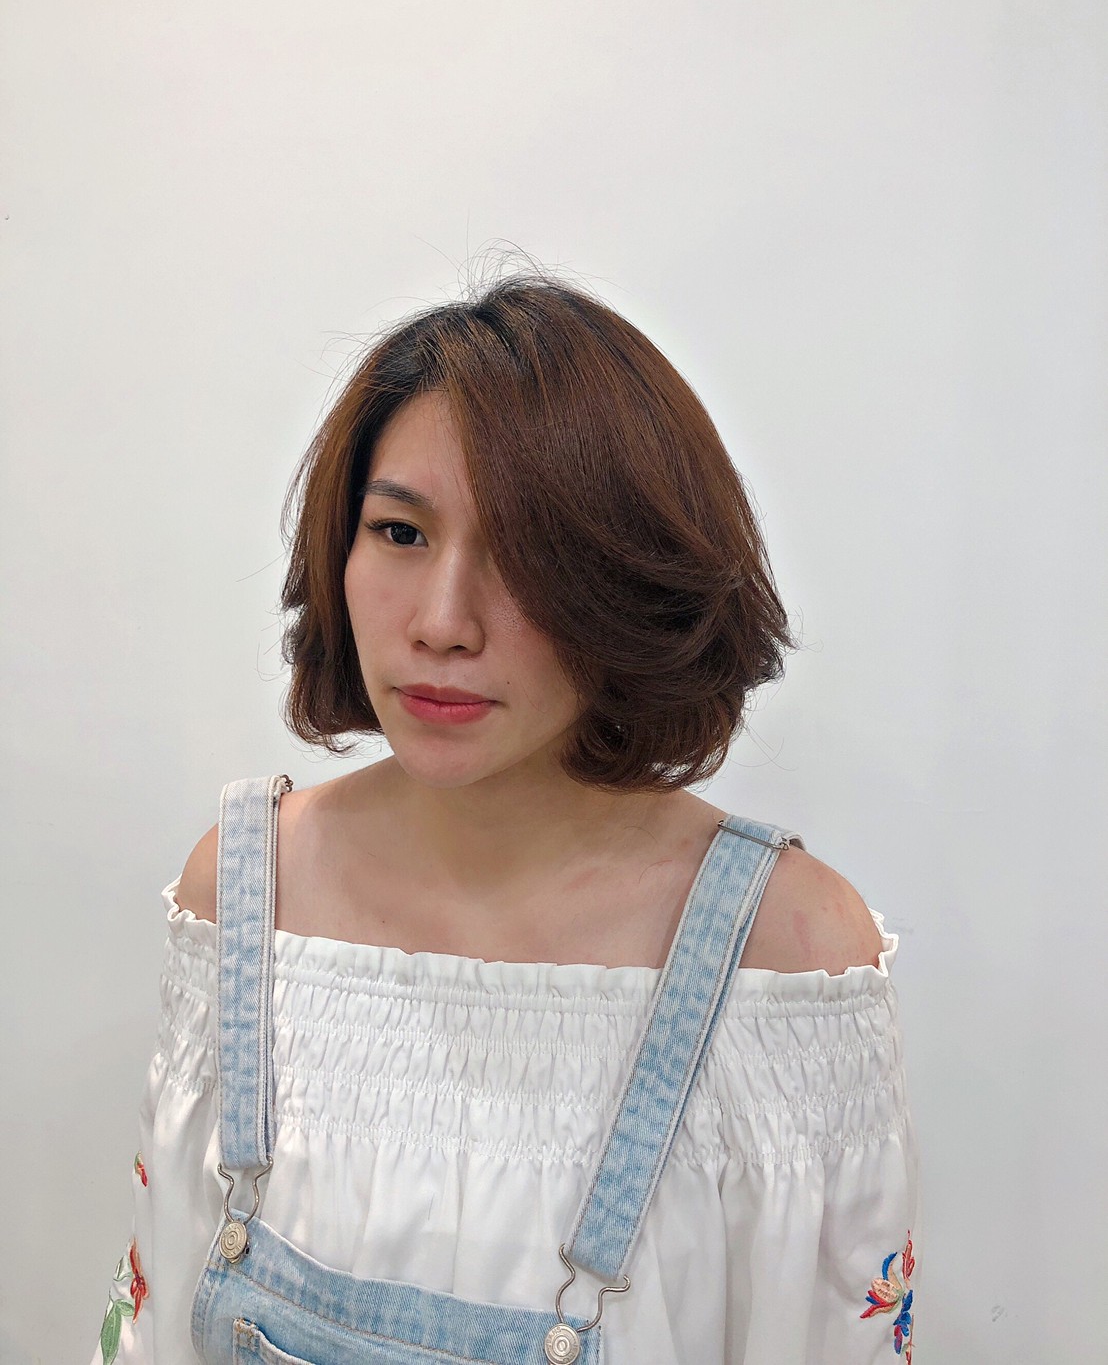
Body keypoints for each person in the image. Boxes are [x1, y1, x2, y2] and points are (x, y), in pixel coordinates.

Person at [90, 273, 921, 1364]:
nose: (442, 622)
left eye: (525, 553)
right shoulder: (248, 897)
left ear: (630, 582)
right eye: (399, 532)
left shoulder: (785, 958)